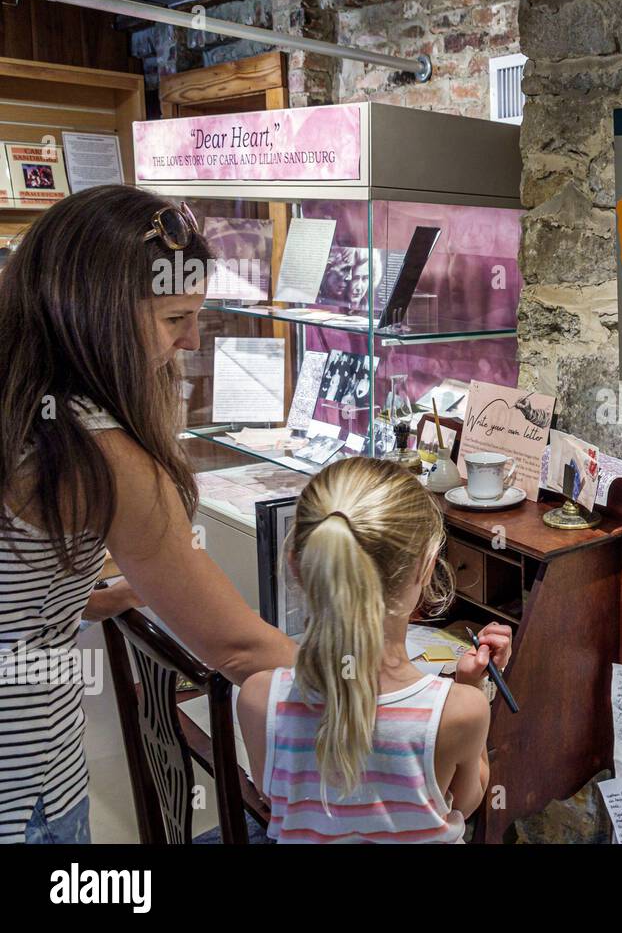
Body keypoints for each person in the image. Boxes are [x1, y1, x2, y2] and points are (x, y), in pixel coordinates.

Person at [0, 185, 297, 844]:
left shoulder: (21, 398)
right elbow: (241, 647)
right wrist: (397, 695)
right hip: (23, 787)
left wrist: (89, 599)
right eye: (173, 319)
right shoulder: (97, 453)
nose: (193, 340)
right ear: (95, 315)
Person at [237, 457, 511, 843]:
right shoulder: (460, 711)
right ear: (426, 568)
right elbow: (464, 803)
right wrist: (470, 686)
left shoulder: (259, 698)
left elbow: (275, 798)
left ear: (297, 565)